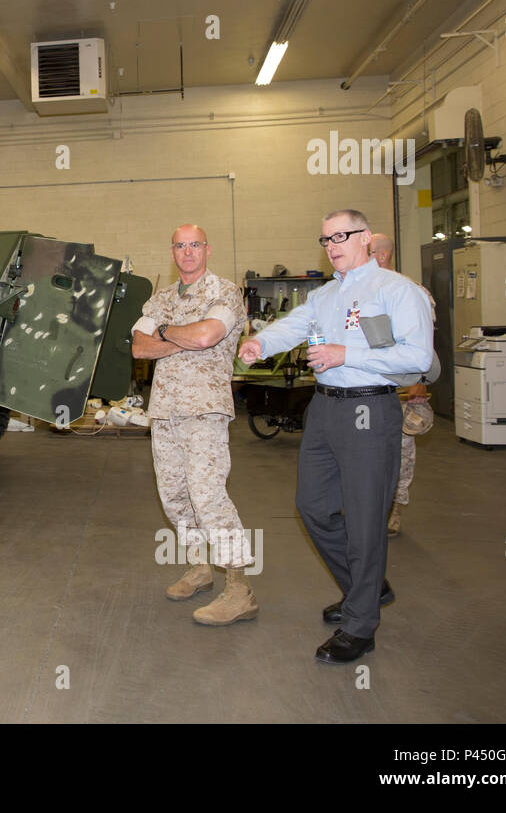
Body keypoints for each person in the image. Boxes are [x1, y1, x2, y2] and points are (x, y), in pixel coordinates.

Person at [237, 210, 433, 664]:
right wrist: (260, 344)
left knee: (365, 518)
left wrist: (348, 352)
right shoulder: (327, 294)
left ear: (366, 238)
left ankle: (361, 623)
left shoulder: (397, 291)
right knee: (313, 506)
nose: (331, 245)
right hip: (325, 407)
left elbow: (418, 355)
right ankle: (367, 587)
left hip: (370, 405)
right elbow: (295, 324)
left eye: (340, 236)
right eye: (325, 239)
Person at [132, 224, 255, 626]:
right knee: (174, 496)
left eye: (195, 245)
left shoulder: (224, 293)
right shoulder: (161, 297)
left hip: (204, 410)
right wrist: (180, 337)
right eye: (180, 245)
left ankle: (239, 588)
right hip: (165, 411)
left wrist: (165, 332)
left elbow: (207, 337)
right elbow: (138, 346)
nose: (188, 252)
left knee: (208, 495)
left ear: (207, 249)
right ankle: (201, 568)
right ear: (172, 252)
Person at [367, 234, 436, 535]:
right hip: (365, 389)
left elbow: (424, 341)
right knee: (363, 451)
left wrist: (418, 380)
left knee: (400, 450)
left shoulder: (411, 292)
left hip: (400, 390)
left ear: (382, 256)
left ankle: (394, 507)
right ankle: (365, 507)